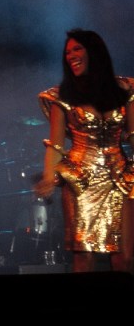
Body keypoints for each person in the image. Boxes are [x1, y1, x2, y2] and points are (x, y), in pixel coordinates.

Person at [34, 29, 134, 274]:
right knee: (84, 260)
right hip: (81, 180)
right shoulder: (62, 96)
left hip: (120, 177)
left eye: (77, 49)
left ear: (94, 52)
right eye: (68, 52)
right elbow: (56, 145)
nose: (71, 56)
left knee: (125, 259)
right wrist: (48, 178)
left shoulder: (126, 89)